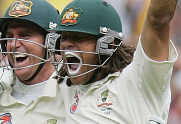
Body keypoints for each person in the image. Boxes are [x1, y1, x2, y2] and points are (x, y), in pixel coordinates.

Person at [47, 0, 178, 123]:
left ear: (108, 45)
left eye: (79, 38)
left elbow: (158, 19)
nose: (67, 45)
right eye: (64, 38)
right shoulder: (63, 85)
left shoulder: (139, 80)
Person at [0, 0, 65, 123]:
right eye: (9, 36)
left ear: (51, 42)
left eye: (25, 35)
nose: (13, 44)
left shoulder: (73, 95)